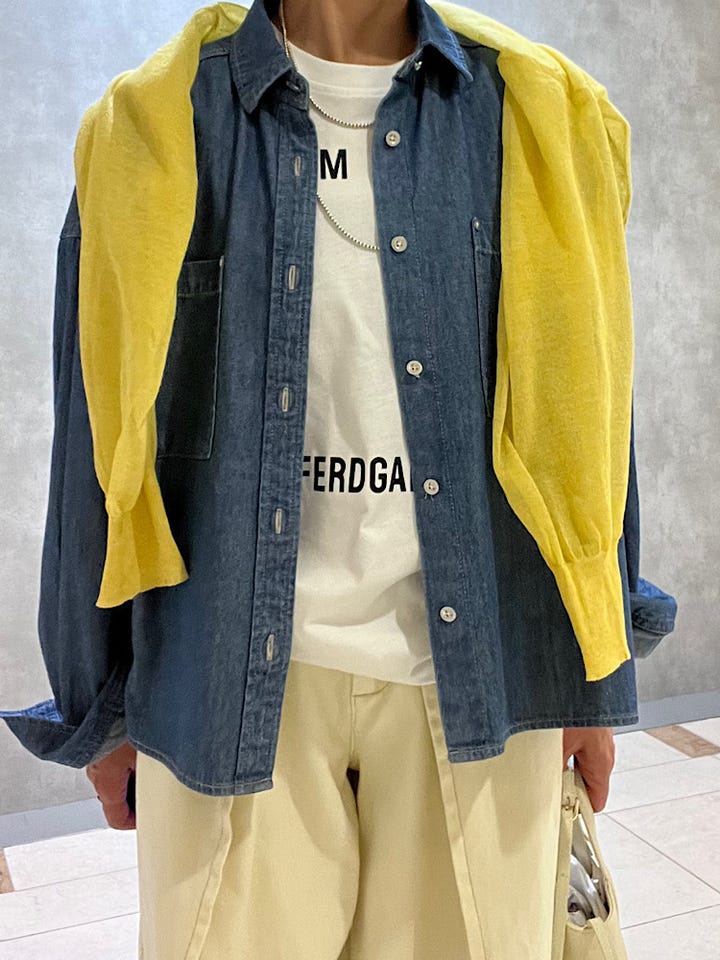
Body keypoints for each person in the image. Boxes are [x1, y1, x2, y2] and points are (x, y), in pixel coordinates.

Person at [2, 0, 648, 957]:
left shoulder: (537, 112)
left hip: (485, 675)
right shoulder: (154, 121)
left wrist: (594, 675)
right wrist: (100, 704)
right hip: (226, 679)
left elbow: (596, 415)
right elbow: (94, 444)